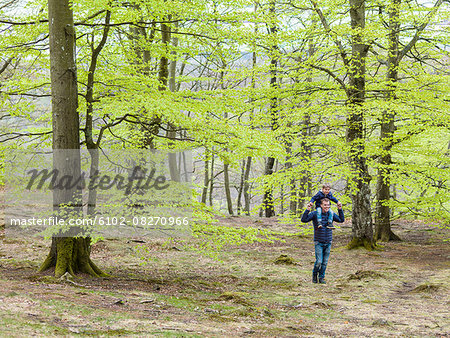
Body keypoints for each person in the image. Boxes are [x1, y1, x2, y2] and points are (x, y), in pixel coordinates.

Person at [301, 198, 344, 284]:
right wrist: (307, 209)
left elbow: (341, 220)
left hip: (328, 241)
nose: (327, 207)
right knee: (319, 261)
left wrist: (340, 209)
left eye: (328, 205)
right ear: (321, 205)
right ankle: (314, 275)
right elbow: (304, 219)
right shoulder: (315, 214)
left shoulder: (331, 214)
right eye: (325, 205)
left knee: (324, 263)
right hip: (318, 241)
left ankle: (321, 278)